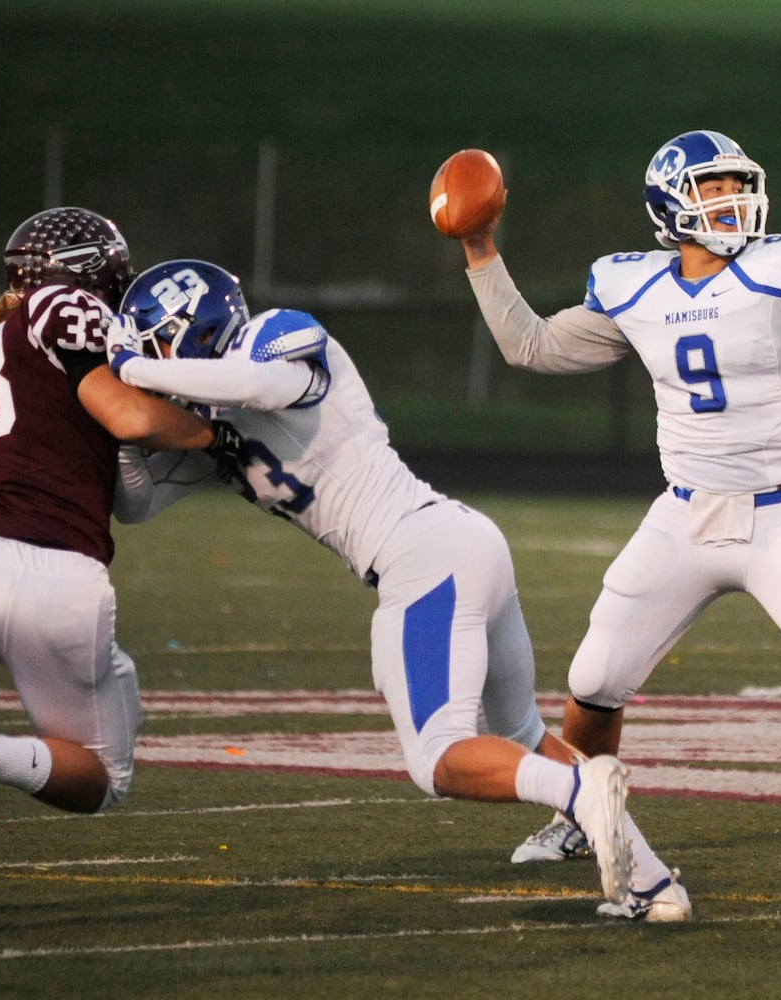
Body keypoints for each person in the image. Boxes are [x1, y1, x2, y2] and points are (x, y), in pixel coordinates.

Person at [107, 260, 687, 921]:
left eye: (149, 344)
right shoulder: (213, 428)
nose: (141, 359)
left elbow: (256, 381)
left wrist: (133, 370)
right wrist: (130, 434)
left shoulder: (274, 336)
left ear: (186, 333)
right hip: (457, 545)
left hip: (421, 555)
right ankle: (653, 884)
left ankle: (581, 793)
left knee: (438, 757)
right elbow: (137, 507)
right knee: (521, 733)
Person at [441, 129, 781, 872]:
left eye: (738, 184)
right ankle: (580, 812)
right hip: (685, 513)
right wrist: (481, 253)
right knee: (594, 677)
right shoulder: (632, 284)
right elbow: (534, 346)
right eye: (714, 187)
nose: (733, 199)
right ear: (670, 202)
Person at [0, 207, 218, 867]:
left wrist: (198, 457)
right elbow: (127, 420)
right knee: (103, 775)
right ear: (88, 274)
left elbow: (127, 490)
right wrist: (220, 430)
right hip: (58, 579)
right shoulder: (62, 308)